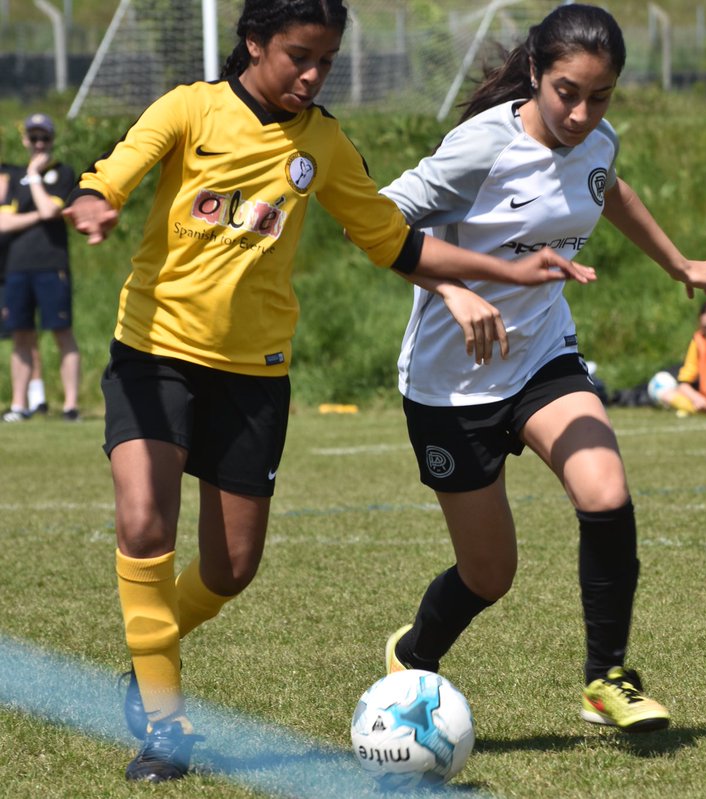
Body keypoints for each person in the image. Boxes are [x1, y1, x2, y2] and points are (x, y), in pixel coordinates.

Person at [63, 0, 593, 783]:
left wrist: (507, 271)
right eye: (297, 57)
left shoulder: (322, 143)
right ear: (253, 43)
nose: (311, 76)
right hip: (156, 351)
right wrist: (97, 198)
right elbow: (120, 167)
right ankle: (164, 717)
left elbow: (392, 239)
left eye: (325, 62)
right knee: (144, 519)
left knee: (232, 566)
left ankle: (150, 654)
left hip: (256, 372)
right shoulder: (190, 108)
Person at [379, 4, 706, 735]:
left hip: (543, 359)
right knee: (490, 574)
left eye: (599, 96)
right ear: (536, 74)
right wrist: (451, 287)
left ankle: (606, 677)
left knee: (605, 492)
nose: (581, 113)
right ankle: (414, 651)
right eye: (567, 92)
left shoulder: (596, 139)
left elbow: (610, 187)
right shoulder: (479, 147)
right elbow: (381, 217)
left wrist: (676, 263)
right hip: (452, 385)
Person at [1, 114, 78, 422]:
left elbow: (51, 208)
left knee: (62, 333)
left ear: (52, 139)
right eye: (33, 138)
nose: (39, 143)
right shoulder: (13, 176)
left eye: (44, 138)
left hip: (52, 264)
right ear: (25, 141)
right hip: (17, 267)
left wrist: (35, 177)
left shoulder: (62, 173)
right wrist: (38, 215)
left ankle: (70, 405)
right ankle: (19, 405)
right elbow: (4, 222)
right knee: (21, 336)